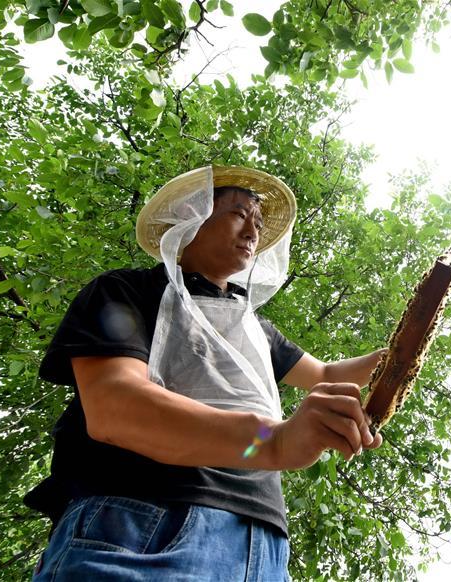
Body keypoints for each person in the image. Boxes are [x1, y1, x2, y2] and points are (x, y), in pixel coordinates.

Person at [25, 166, 385, 581]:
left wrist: (401, 349)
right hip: (144, 520)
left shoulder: (253, 326)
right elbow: (115, 407)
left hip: (265, 543)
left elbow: (325, 374)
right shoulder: (125, 291)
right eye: (238, 214)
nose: (253, 231)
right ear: (190, 216)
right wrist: (276, 440)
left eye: (259, 222)